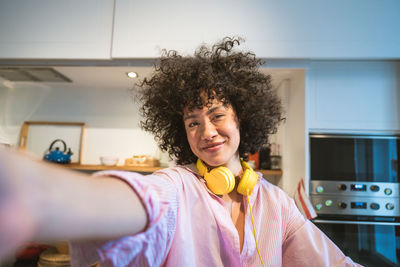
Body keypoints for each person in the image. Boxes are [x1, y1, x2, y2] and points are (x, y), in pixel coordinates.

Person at [0, 37, 361, 267]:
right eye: (192, 122)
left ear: (243, 118)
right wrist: (38, 193)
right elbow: (140, 201)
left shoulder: (276, 202)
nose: (206, 132)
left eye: (217, 115)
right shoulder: (174, 186)